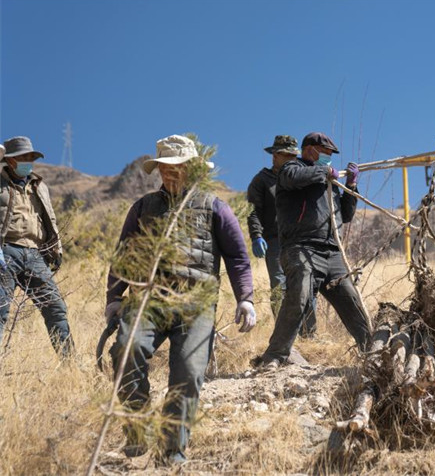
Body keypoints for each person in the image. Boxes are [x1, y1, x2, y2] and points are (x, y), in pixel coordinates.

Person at [105, 135, 257, 464]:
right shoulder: (143, 207)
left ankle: (172, 451)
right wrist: (114, 298)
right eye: (164, 168)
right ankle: (137, 429)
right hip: (148, 301)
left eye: (177, 167)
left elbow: (237, 257)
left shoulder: (215, 206)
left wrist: (245, 298)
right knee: (126, 350)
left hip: (195, 304)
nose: (170, 173)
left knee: (188, 371)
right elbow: (123, 257)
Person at [253, 132, 369, 370]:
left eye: (330, 155)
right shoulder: (291, 169)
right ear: (309, 150)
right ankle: (274, 355)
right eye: (325, 153)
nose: (328, 158)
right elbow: (294, 178)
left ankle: (373, 352)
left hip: (332, 252)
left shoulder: (328, 180)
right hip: (301, 247)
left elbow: (345, 215)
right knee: (299, 296)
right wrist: (323, 172)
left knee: (351, 300)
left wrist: (351, 186)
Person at [0, 136, 73, 357]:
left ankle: (69, 363)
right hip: (5, 251)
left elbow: (50, 217)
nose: (28, 161)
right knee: (1, 310)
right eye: (23, 157)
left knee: (56, 308)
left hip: (35, 254)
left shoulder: (40, 187)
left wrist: (57, 248)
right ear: (10, 160)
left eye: (31, 157)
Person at [246, 135, 316, 336]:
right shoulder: (261, 181)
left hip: (301, 241)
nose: (291, 159)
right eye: (286, 155)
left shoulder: (300, 176)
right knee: (280, 287)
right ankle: (284, 336)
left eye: (293, 156)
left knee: (307, 287)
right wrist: (256, 235)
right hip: (275, 242)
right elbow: (252, 211)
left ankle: (309, 334)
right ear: (275, 156)